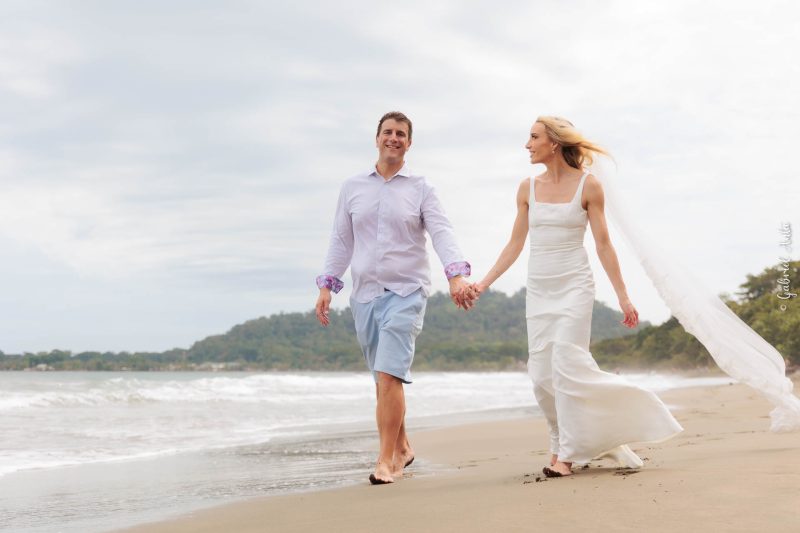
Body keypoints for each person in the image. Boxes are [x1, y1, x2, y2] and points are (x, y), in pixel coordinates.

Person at [470, 116, 683, 477]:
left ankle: (564, 457)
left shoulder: (589, 186)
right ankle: (571, 443)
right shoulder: (527, 188)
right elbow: (515, 244)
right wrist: (483, 283)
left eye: (533, 137)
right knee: (541, 377)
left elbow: (603, 245)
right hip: (539, 291)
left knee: (567, 367)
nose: (527, 144)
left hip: (575, 288)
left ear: (553, 143)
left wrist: (624, 297)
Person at [315, 111, 477, 485]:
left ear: (409, 142)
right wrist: (328, 285)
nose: (394, 138)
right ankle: (403, 445)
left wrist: (456, 276)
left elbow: (441, 231)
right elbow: (341, 239)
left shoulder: (421, 188)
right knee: (383, 379)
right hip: (365, 295)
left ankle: (387, 460)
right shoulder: (352, 187)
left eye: (401, 133)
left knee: (389, 375)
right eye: (387, 132)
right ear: (376, 139)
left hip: (406, 291)